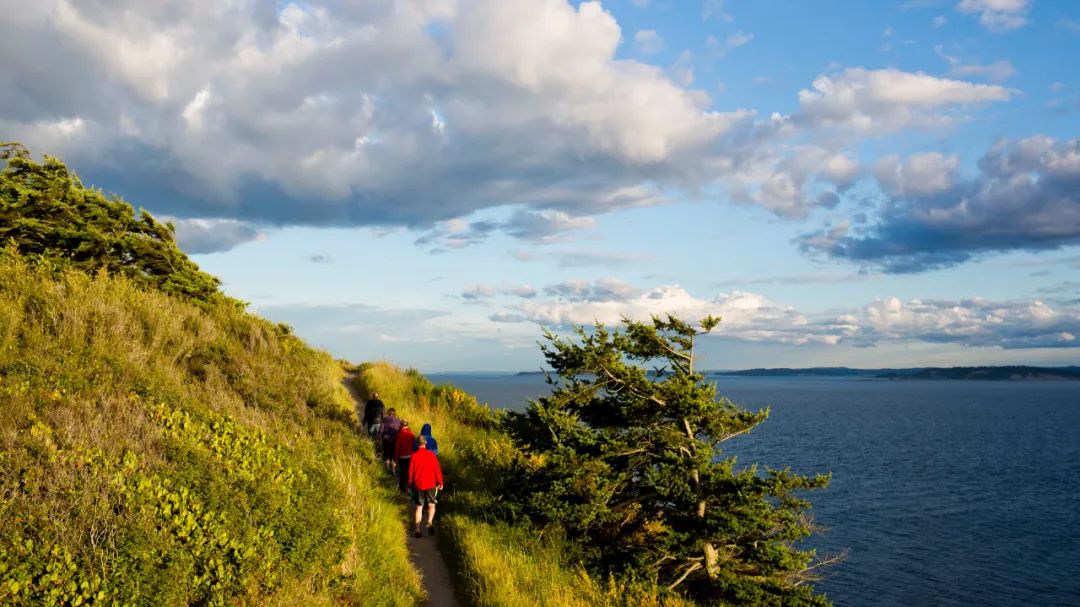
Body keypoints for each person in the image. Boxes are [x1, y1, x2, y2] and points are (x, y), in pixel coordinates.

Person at [408, 435, 443, 538]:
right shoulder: (432, 455)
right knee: (432, 505)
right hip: (431, 484)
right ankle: (429, 522)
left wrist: (410, 484)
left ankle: (418, 530)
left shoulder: (413, 456)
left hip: (418, 485)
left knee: (419, 507)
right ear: (425, 443)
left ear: (417, 444)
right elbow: (437, 470)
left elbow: (410, 472)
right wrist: (440, 482)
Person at [394, 420, 416, 493]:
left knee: (402, 472)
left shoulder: (399, 435)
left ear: (401, 425)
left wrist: (396, 458)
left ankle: (403, 488)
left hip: (402, 457)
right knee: (409, 472)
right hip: (410, 456)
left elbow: (397, 448)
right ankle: (408, 488)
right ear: (407, 425)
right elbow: (414, 446)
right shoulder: (412, 434)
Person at [380, 408, 402, 473]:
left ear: (388, 413)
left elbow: (381, 430)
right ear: (394, 413)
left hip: (386, 440)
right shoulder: (398, 420)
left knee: (387, 455)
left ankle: (387, 469)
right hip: (395, 440)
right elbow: (400, 430)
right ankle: (393, 471)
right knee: (393, 455)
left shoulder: (385, 420)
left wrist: (378, 438)